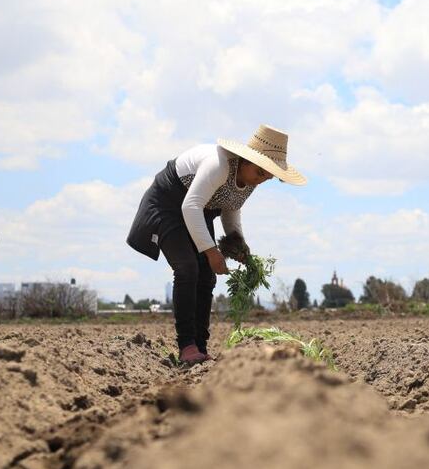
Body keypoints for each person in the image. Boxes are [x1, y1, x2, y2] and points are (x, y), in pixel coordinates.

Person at [126, 125, 306, 364]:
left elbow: (231, 209)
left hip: (198, 211)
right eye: (260, 173)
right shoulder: (218, 165)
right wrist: (211, 252)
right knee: (187, 268)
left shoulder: (250, 180)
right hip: (168, 205)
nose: (261, 180)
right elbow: (190, 207)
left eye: (267, 177)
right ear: (245, 160)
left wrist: (239, 246)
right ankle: (187, 346)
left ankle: (200, 345)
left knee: (207, 277)